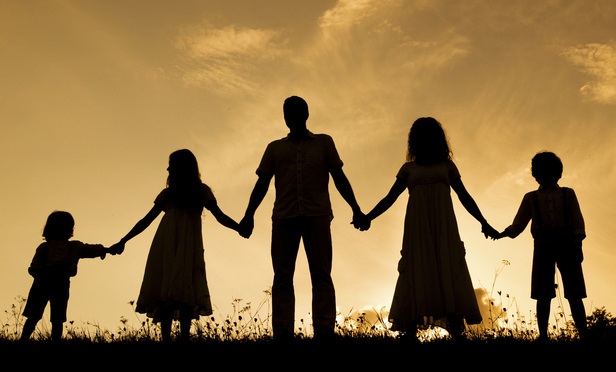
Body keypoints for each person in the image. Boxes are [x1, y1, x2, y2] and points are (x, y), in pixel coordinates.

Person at [354, 116, 498, 340]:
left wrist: (483, 222)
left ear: (437, 140)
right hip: (417, 229)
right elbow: (390, 198)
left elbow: (464, 196)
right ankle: (410, 330)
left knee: (448, 266)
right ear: (416, 141)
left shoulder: (447, 167)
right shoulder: (408, 169)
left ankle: (456, 328)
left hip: (444, 228)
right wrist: (368, 217)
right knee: (416, 267)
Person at [238, 95, 366, 342]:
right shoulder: (274, 148)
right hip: (284, 218)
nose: (291, 117)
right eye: (287, 112)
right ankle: (283, 333)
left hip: (317, 216)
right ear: (284, 117)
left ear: (306, 114)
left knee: (321, 274)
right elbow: (262, 183)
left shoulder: (324, 143)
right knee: (283, 276)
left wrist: (356, 208)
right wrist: (248, 215)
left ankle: (325, 331)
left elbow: (339, 177)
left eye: (296, 112)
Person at [110, 149, 243, 342]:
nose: (167, 168)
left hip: (188, 247)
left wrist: (239, 227)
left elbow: (219, 216)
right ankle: (167, 338)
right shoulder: (167, 194)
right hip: (165, 246)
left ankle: (184, 338)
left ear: (181, 167)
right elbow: (145, 221)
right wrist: (124, 240)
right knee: (166, 289)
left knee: (185, 288)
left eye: (171, 165)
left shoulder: (201, 192)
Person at [495, 151, 587, 341]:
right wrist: (502, 233)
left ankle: (584, 334)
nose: (546, 176)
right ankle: (543, 335)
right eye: (542, 172)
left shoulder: (568, 194)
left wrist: (577, 244)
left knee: (574, 292)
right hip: (543, 245)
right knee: (542, 293)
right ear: (536, 175)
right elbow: (518, 224)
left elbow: (578, 222)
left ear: (558, 173)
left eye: (550, 171)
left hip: (567, 243)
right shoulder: (531, 198)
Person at [21, 210, 115, 341]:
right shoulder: (45, 247)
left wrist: (106, 249)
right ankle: (23, 339)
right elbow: (33, 268)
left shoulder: (74, 246)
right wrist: (47, 270)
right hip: (44, 284)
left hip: (57, 285)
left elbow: (90, 249)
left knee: (56, 318)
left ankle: (48, 341)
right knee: (35, 316)